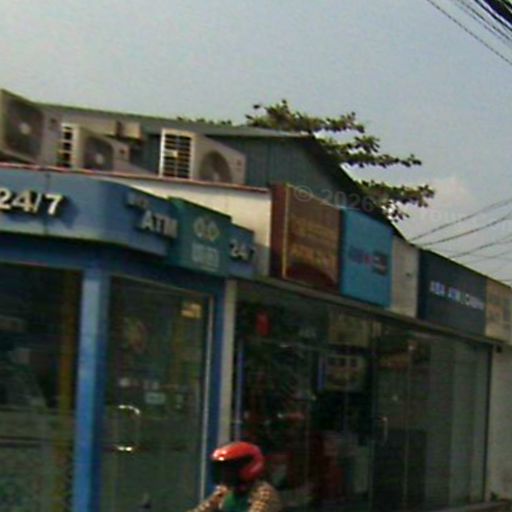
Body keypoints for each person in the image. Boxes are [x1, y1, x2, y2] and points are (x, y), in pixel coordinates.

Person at [189, 441, 282, 512]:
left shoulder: (263, 492)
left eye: (229, 469)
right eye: (222, 470)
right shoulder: (225, 491)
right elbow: (203, 509)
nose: (225, 474)